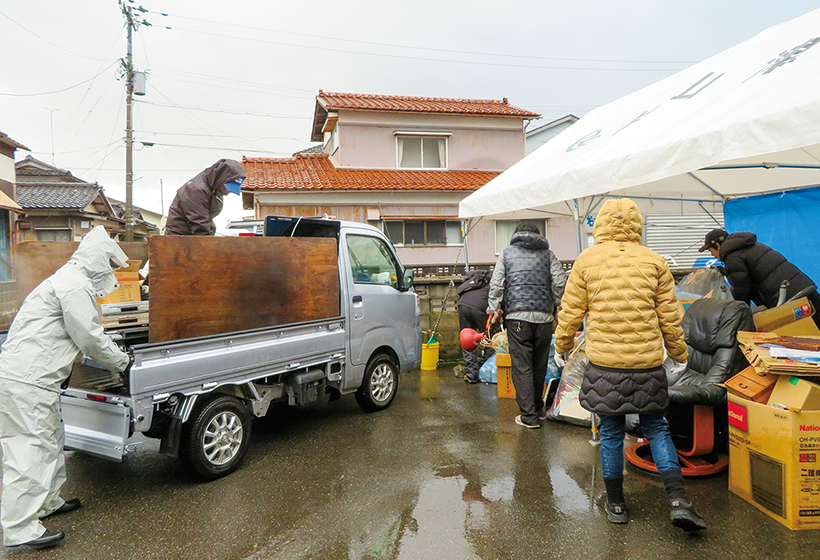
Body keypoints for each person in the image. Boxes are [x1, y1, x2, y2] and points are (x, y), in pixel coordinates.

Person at [554, 199, 706, 532]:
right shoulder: (654, 261)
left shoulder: (587, 261)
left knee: (610, 431)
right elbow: (670, 317)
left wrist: (562, 346)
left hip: (604, 364)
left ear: (601, 225)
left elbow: (570, 313)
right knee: (656, 427)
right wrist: (679, 354)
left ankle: (617, 505)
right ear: (636, 225)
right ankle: (679, 501)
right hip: (647, 365)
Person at [0, 226, 132, 549]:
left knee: (49, 440)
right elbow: (89, 337)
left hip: (34, 379)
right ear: (98, 259)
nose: (113, 272)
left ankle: (47, 503)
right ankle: (19, 529)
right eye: (111, 265)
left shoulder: (70, 280)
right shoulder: (74, 285)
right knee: (28, 448)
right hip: (27, 380)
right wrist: (123, 362)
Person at [487, 223, 566, 428]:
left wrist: (493, 309)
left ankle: (528, 416)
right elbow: (559, 281)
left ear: (516, 235)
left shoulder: (506, 254)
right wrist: (557, 303)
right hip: (544, 319)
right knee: (539, 364)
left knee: (522, 366)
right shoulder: (548, 255)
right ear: (538, 236)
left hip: (517, 318)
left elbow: (496, 284)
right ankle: (538, 408)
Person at [699, 228, 820, 325]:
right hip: (803, 288)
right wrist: (726, 271)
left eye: (711, 250)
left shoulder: (732, 256)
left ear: (718, 246)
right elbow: (751, 270)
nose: (712, 255)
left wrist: (740, 316)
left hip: (792, 300)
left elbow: (742, 289)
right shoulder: (747, 246)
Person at [165, 158, 247, 235]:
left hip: (191, 237)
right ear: (221, 180)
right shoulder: (195, 190)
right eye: (227, 187)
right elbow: (199, 223)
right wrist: (210, 243)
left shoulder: (215, 189)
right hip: (178, 238)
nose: (228, 191)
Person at [456, 269, 494, 383]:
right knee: (490, 339)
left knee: (467, 340)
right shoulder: (491, 284)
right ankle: (485, 370)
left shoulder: (470, 284)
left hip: (462, 306)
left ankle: (471, 374)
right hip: (480, 308)